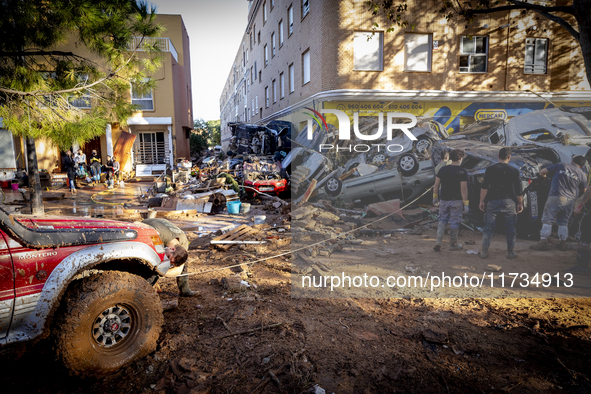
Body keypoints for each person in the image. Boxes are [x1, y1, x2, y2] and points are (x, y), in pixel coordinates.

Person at [530, 156, 587, 251]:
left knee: (547, 219)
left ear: (572, 161)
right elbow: (584, 190)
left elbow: (542, 171)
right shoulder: (582, 174)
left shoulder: (561, 165)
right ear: (582, 166)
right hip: (570, 200)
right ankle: (562, 243)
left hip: (556, 196)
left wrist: (545, 178)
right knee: (563, 222)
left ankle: (543, 243)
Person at [479, 147, 523, 259]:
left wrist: (481, 201)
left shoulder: (490, 170)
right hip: (509, 203)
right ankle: (510, 252)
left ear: (498, 156)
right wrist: (520, 203)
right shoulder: (514, 171)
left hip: (492, 202)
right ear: (509, 157)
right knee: (510, 228)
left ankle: (484, 252)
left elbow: (484, 188)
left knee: (488, 227)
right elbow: (518, 191)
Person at [142, 218, 199, 297]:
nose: (167, 261)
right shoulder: (157, 236)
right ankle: (144, 288)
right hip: (148, 224)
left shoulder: (184, 244)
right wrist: (156, 269)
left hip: (164, 230)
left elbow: (180, 269)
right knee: (152, 261)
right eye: (168, 257)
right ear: (172, 249)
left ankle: (185, 290)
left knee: (184, 263)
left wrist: (163, 272)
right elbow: (137, 223)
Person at [433, 149, 468, 251]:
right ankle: (453, 244)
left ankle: (438, 242)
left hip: (443, 200)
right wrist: (466, 203)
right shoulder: (462, 172)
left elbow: (436, 185)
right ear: (460, 159)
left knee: (442, 220)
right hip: (456, 201)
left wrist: (435, 197)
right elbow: (464, 189)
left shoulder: (443, 170)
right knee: (454, 222)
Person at [568, 189, 591, 271]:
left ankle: (581, 266)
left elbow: (590, 191)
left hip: (589, 212)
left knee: (584, 239)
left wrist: (580, 206)